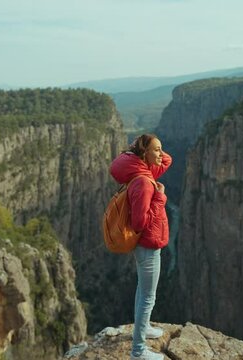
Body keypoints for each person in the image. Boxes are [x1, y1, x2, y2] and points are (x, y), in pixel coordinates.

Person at [110, 134, 172, 360]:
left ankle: (143, 329)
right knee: (148, 297)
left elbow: (167, 161)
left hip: (146, 245)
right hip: (148, 245)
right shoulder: (145, 183)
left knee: (143, 291)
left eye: (161, 148)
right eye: (156, 149)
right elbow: (139, 223)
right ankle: (138, 351)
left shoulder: (142, 173)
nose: (161, 153)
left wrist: (149, 149)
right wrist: (160, 198)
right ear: (144, 154)